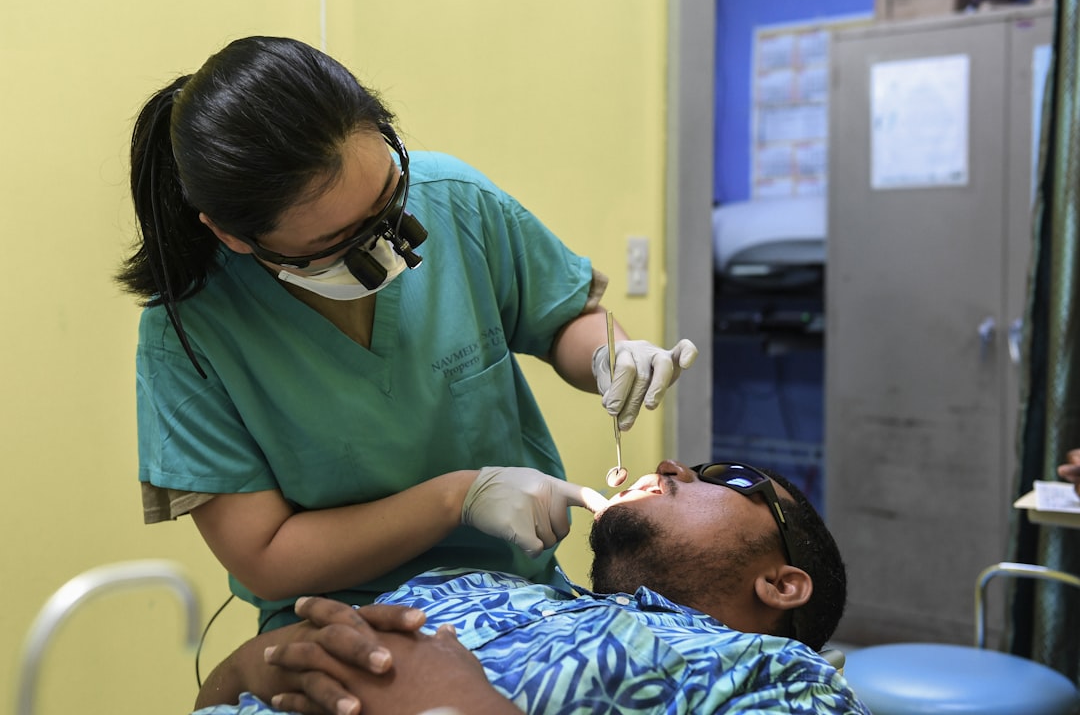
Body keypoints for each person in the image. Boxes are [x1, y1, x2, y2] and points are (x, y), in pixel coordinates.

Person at [116, 36, 698, 633]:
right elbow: (266, 558)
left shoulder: (456, 202)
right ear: (234, 236)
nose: (388, 246)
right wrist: (458, 499)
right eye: (336, 244)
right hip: (344, 633)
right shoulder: (187, 334)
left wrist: (610, 352)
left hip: (525, 605)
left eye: (390, 201)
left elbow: (561, 319)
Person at [192, 460, 868, 715]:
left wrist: (453, 704)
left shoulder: (781, 680)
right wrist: (289, 653)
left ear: (782, 584)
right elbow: (227, 684)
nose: (673, 465)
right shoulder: (482, 585)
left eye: (729, 476)